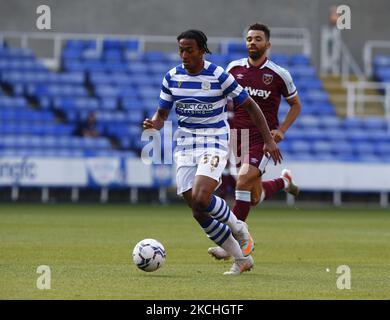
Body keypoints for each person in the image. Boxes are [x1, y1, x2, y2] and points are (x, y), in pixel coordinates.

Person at [142, 29, 283, 275]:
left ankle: (239, 228)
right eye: (181, 50)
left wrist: (269, 139)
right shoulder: (171, 77)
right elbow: (162, 113)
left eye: (189, 50)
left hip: (214, 141)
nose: (184, 55)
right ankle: (241, 260)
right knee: (197, 209)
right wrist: (154, 123)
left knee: (201, 196)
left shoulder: (219, 75)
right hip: (185, 145)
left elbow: (250, 106)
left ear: (201, 51)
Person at [208, 23, 302, 260]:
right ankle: (284, 181)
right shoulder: (234, 68)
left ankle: (231, 245)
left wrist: (280, 131)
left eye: (258, 39)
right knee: (254, 196)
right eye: (249, 39)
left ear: (267, 44)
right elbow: (222, 98)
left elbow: (296, 105)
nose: (252, 42)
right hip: (238, 138)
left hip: (263, 138)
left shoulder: (279, 74)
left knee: (242, 182)